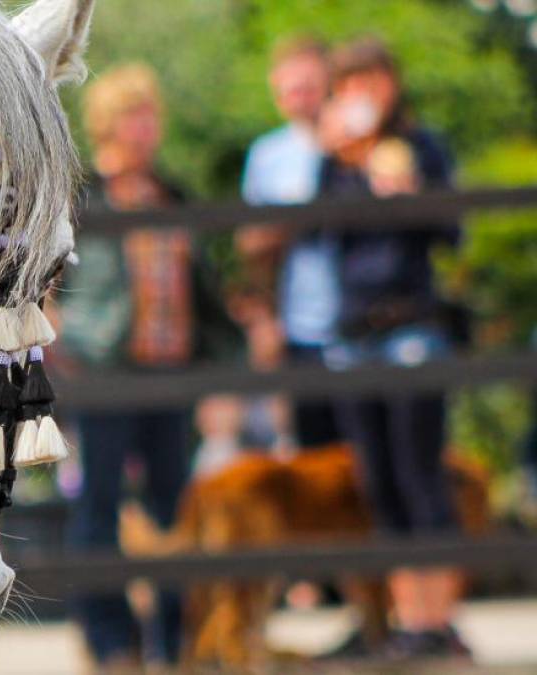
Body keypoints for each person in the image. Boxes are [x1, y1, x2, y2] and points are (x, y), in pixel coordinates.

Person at [57, 63, 239, 672]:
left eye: (152, 115)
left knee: (174, 510)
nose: (147, 128)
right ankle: (112, 644)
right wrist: (65, 346)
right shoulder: (81, 193)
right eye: (136, 115)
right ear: (109, 123)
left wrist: (222, 369)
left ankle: (171, 642)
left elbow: (205, 294)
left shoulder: (173, 195)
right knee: (99, 508)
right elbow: (47, 282)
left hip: (171, 376)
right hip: (104, 373)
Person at [316, 36, 468, 659]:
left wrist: (407, 191)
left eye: (372, 81)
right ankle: (409, 621)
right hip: (355, 337)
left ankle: (435, 621)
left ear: (392, 85)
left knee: (421, 475)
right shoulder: (336, 160)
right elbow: (322, 234)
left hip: (413, 330)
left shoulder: (423, 146)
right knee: (380, 483)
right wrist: (347, 165)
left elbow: (451, 231)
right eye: (351, 84)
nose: (364, 94)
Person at [238, 35, 344, 452]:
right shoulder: (268, 155)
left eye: (308, 87)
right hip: (302, 327)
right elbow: (251, 247)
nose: (298, 99)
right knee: (315, 456)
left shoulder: (357, 140)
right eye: (288, 91)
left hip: (360, 329)